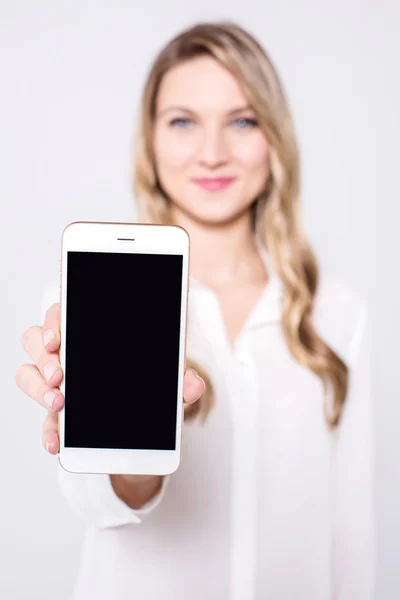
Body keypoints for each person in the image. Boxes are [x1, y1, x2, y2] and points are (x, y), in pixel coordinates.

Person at [15, 21, 375, 600]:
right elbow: (101, 504)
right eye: (183, 121)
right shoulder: (87, 292)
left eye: (242, 120)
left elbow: (352, 544)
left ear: (274, 137)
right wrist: (131, 446)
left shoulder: (338, 312)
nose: (213, 153)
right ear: (151, 140)